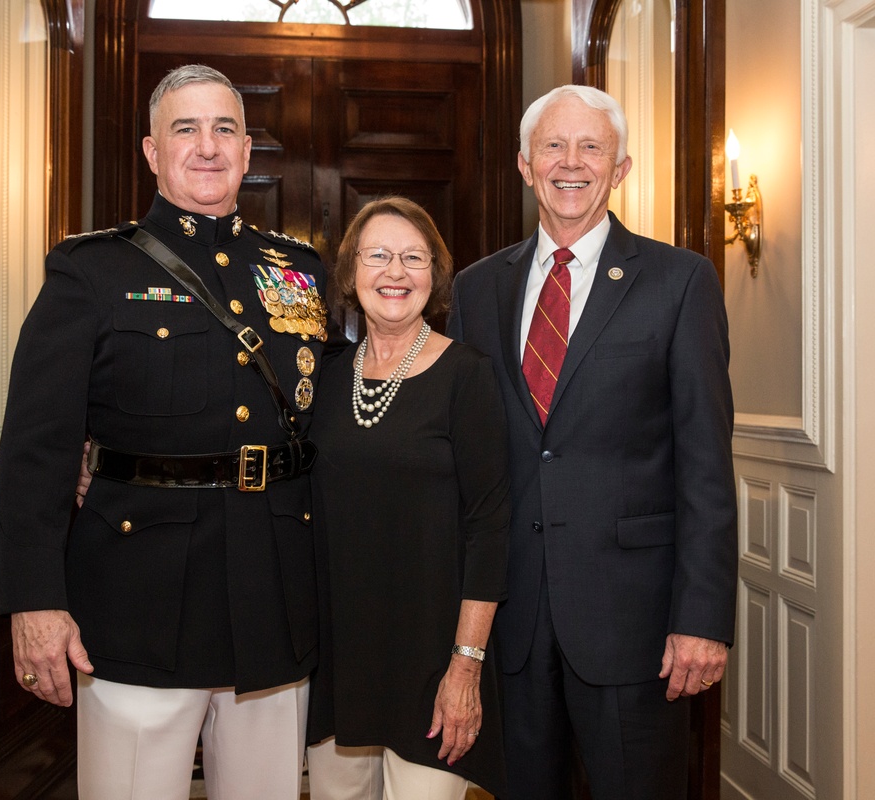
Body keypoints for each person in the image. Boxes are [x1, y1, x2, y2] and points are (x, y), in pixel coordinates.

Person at [0, 64, 341, 799]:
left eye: (224, 129)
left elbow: (334, 415)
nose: (207, 147)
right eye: (186, 129)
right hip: (136, 601)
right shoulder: (91, 271)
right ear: (152, 153)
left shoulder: (300, 272)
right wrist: (35, 600)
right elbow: (35, 449)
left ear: (248, 153)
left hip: (275, 599)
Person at [446, 85, 738, 800]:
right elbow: (464, 464)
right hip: (510, 621)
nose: (569, 162)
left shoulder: (679, 281)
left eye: (590, 147)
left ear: (621, 167)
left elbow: (704, 464)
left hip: (633, 623)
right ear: (523, 163)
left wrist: (702, 618)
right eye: (553, 145)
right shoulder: (476, 290)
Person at [304, 197, 511, 800]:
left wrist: (466, 666)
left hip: (434, 661)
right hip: (339, 654)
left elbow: (489, 528)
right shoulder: (321, 374)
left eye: (413, 258)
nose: (395, 272)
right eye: (378, 256)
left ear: (435, 276)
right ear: (350, 274)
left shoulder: (468, 376)